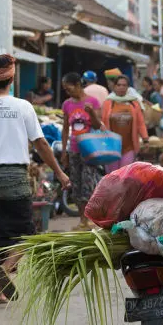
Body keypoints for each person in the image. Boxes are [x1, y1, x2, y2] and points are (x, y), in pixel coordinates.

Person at [0, 55, 70, 303]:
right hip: (16, 178)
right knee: (27, 233)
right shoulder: (23, 106)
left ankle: (0, 292)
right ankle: (9, 265)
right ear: (12, 78)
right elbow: (41, 143)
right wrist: (60, 172)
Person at [61, 72, 102, 229]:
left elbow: (99, 126)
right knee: (76, 185)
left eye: (69, 88)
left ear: (78, 85)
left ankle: (89, 218)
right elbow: (65, 129)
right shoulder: (67, 104)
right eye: (65, 89)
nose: (67, 92)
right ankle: (82, 220)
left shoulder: (93, 102)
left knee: (88, 183)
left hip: (90, 150)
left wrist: (91, 112)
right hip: (74, 149)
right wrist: (64, 151)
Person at [101, 74, 148, 170]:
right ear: (114, 87)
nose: (121, 87)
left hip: (129, 147)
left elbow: (140, 123)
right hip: (111, 146)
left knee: (125, 175)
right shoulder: (108, 103)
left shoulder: (134, 103)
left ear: (128, 87)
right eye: (119, 85)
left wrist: (145, 139)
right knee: (112, 176)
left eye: (124, 85)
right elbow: (102, 122)